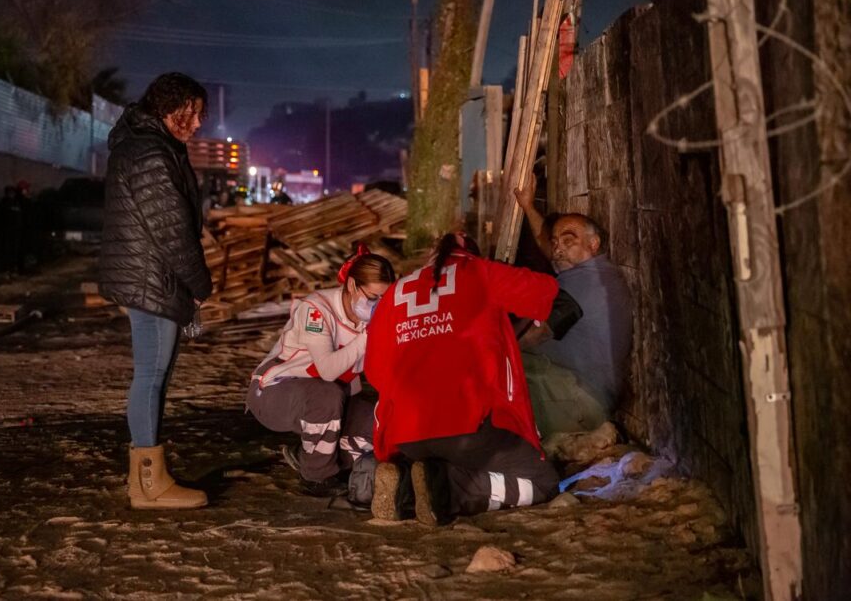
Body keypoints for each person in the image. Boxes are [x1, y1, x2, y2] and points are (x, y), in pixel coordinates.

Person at [365, 233, 582, 525]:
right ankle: (449, 489)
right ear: (471, 255)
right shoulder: (481, 272)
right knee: (541, 482)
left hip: (406, 435)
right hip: (468, 429)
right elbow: (555, 298)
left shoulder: (396, 292)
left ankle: (404, 482)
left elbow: (375, 371)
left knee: (439, 457)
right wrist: (518, 337)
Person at [99, 72, 214, 510]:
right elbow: (171, 230)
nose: (200, 123)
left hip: (150, 277)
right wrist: (198, 283)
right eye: (195, 112)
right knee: (151, 375)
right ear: (173, 107)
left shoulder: (148, 146)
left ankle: (145, 477)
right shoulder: (150, 152)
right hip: (154, 280)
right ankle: (149, 484)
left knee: (154, 375)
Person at [247, 247, 394, 497]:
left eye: (385, 299)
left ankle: (311, 454)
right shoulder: (316, 308)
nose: (377, 305)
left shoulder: (374, 319)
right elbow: (327, 370)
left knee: (384, 431)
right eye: (372, 297)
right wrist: (368, 337)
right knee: (325, 395)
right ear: (351, 285)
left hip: (335, 398)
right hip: (275, 392)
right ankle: (317, 476)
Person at [513, 174, 633, 434]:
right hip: (574, 389)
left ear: (593, 244)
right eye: (556, 243)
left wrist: (494, 353)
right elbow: (549, 247)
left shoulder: (584, 283)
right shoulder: (593, 272)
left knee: (499, 379)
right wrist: (528, 207)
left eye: (569, 241)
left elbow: (538, 332)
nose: (557, 249)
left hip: (579, 399)